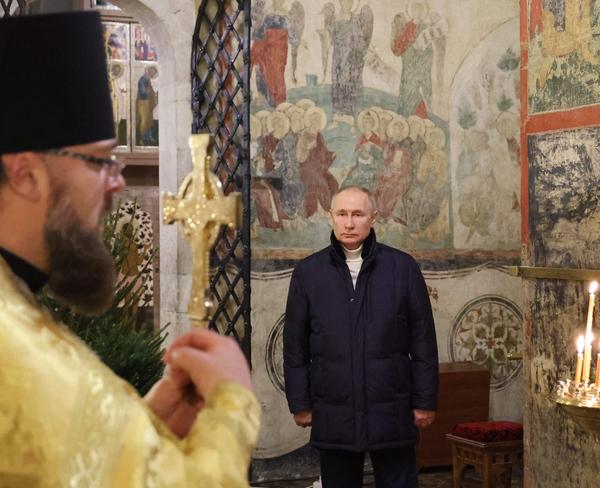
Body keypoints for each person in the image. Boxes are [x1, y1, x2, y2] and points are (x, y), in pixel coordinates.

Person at [0, 11, 260, 487]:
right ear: (25, 173)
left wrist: (145, 426)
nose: (117, 182)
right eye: (101, 160)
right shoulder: (16, 347)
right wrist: (232, 402)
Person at [283, 186, 438, 488]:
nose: (349, 223)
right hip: (334, 409)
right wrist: (300, 401)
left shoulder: (403, 268)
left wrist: (425, 400)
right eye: (342, 214)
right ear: (331, 217)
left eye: (358, 214)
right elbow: (295, 346)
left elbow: (423, 342)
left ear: (373, 217)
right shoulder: (308, 272)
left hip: (391, 408)